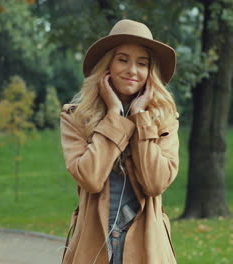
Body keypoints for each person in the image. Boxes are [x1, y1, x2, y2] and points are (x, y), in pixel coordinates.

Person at [60, 19, 179, 264]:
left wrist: (141, 118)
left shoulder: (164, 119)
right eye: (123, 59)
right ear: (108, 66)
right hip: (93, 246)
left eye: (141, 63)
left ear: (149, 71)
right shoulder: (76, 118)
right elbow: (90, 178)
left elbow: (155, 183)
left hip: (147, 248)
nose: (132, 70)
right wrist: (114, 114)